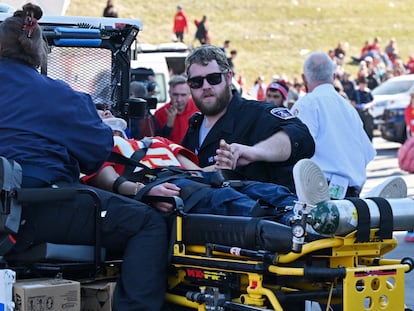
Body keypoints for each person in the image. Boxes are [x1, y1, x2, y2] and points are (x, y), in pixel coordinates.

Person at [0, 4, 166, 310]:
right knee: (148, 224)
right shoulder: (59, 95)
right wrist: (103, 124)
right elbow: (96, 154)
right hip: (35, 211)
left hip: (11, 216)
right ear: (39, 52)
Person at [181, 45, 315, 192]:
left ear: (229, 77)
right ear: (189, 86)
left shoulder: (257, 114)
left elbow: (301, 138)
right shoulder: (194, 126)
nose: (206, 86)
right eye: (197, 82)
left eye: (214, 78)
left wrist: (252, 152)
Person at [290, 51, 376, 198]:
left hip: (318, 193)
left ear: (304, 78)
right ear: (334, 76)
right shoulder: (349, 109)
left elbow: (294, 150)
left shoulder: (306, 104)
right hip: (351, 194)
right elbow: (367, 154)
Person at [154, 75, 199, 144]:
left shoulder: (198, 109)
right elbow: (156, 142)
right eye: (175, 95)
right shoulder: (160, 113)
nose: (179, 99)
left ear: (189, 94)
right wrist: (168, 125)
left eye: (183, 95)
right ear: (169, 94)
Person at [349, 76, 375, 141]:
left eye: (364, 84)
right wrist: (357, 106)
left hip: (367, 111)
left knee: (369, 128)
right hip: (358, 112)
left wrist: (367, 105)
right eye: (362, 84)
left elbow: (373, 101)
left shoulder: (368, 92)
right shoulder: (355, 92)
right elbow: (351, 101)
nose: (363, 85)